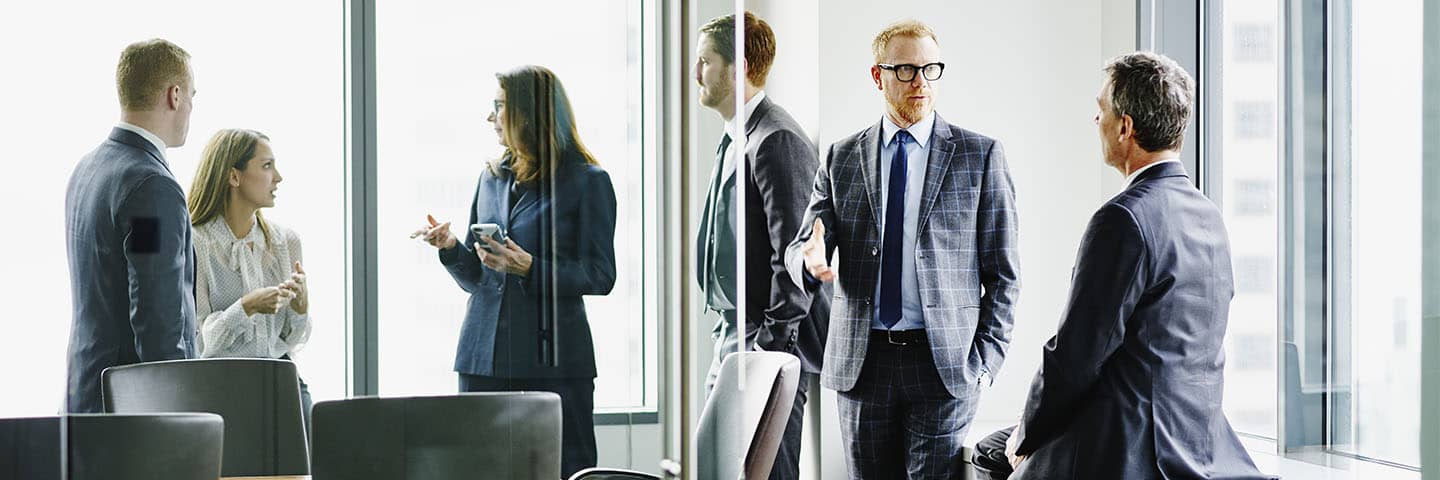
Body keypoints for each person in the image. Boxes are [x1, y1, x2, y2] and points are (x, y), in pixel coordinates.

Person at [985, 52, 1272, 480]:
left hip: (1129, 446)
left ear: (1125, 127)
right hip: (1199, 442)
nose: (1095, 122)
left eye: (1100, 111)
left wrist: (1025, 436)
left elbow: (1076, 357)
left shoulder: (1123, 218)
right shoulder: (1209, 215)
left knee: (994, 451)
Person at [784, 20, 1020, 479]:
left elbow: (1004, 272)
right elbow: (803, 244)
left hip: (943, 367)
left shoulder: (979, 155)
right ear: (879, 76)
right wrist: (809, 261)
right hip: (863, 363)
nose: (921, 82)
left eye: (931, 69)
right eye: (907, 70)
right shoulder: (842, 157)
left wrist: (984, 363)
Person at [412, 65, 616, 478]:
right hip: (482, 359)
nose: (491, 117)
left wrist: (531, 267)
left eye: (498, 106)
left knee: (561, 471)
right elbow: (477, 278)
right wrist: (451, 248)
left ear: (527, 112)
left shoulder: (588, 181)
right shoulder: (490, 178)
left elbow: (601, 274)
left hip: (554, 363)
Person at [693, 12, 829, 480]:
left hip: (765, 343)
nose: (696, 74)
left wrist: (769, 349)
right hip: (734, 336)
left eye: (704, 62)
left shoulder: (777, 139)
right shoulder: (736, 137)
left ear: (739, 68)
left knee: (767, 473)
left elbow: (795, 257)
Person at [65, 39, 199, 413]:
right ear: (174, 95)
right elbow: (157, 319)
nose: (191, 107)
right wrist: (181, 417)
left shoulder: (88, 169)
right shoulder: (150, 187)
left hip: (85, 400)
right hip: (132, 419)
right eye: (192, 95)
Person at [186, 128, 313, 429]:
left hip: (281, 381)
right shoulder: (195, 243)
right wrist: (246, 307)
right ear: (234, 177)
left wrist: (301, 305)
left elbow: (292, 340)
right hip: (221, 389)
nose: (278, 177)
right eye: (267, 166)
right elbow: (201, 342)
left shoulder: (286, 242)